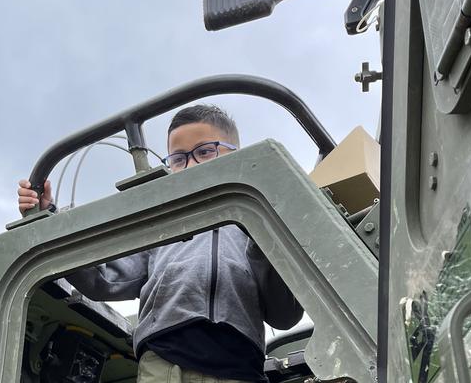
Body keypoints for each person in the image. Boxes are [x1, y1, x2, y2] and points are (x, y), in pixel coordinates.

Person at [17, 104, 303, 383]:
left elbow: (284, 314)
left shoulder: (256, 223)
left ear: (235, 154)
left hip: (239, 365)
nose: (190, 164)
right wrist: (49, 219)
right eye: (178, 158)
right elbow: (103, 278)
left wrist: (260, 242)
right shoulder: (160, 227)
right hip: (164, 363)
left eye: (204, 152)